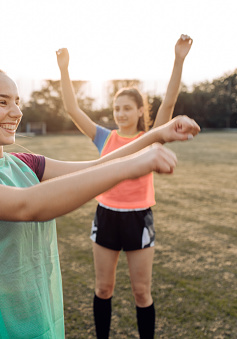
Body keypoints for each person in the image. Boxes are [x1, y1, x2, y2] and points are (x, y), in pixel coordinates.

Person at [0, 65, 199, 338]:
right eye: (2, 102)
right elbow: (28, 205)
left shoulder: (23, 163)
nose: (16, 112)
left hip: (36, 316)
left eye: (17, 102)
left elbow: (97, 166)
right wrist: (131, 167)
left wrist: (157, 135)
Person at [56, 34, 193, 338]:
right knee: (103, 289)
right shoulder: (105, 138)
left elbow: (169, 101)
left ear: (140, 111)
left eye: (127, 108)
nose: (120, 114)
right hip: (106, 216)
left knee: (141, 293)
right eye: (117, 108)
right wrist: (64, 69)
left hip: (138, 218)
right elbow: (72, 110)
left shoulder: (152, 137)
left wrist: (178, 59)